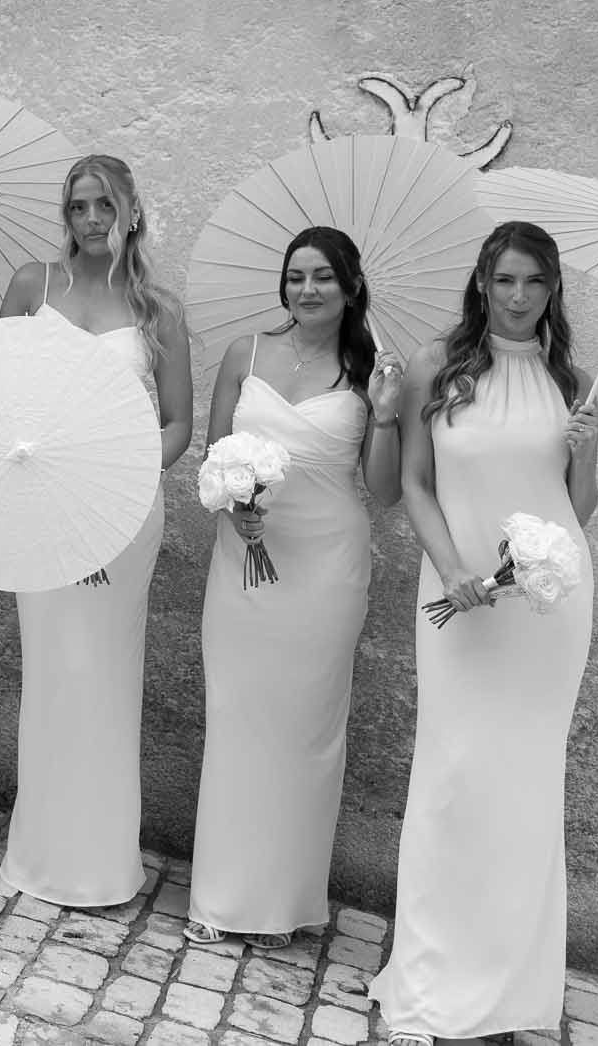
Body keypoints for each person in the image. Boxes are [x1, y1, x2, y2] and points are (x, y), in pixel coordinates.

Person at [369, 221, 598, 1046]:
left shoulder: (570, 379)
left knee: (525, 792)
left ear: (551, 290)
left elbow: (577, 514)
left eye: (534, 282)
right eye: (504, 279)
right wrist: (452, 568)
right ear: (481, 281)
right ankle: (429, 991)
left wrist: (586, 451)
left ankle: (508, 989)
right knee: (452, 779)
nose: (516, 296)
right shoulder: (440, 365)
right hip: (459, 602)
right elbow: (413, 482)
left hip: (547, 615)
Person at [186, 226, 404, 948]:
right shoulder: (244, 354)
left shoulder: (370, 368)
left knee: (307, 730)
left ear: (350, 288)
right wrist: (236, 504)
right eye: (296, 275)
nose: (307, 289)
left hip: (327, 567)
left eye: (324, 277)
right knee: (239, 717)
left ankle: (281, 902)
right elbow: (212, 457)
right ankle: (221, 896)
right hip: (243, 562)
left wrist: (388, 415)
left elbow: (382, 490)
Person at [0, 153, 192, 908]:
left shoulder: (158, 309)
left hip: (120, 508)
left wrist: (121, 481)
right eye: (78, 207)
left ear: (132, 210)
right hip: (39, 504)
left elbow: (177, 422)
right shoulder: (30, 285)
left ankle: (100, 858)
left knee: (104, 670)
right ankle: (41, 848)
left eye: (104, 205)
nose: (90, 220)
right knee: (51, 667)